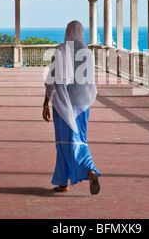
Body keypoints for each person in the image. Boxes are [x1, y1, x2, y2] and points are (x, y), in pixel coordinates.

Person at [42, 20, 100, 195]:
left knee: (63, 141)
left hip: (63, 103)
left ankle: (90, 170)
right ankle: (62, 181)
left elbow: (52, 81)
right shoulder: (87, 53)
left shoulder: (60, 51)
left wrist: (45, 103)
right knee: (79, 138)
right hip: (83, 104)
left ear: (67, 32)